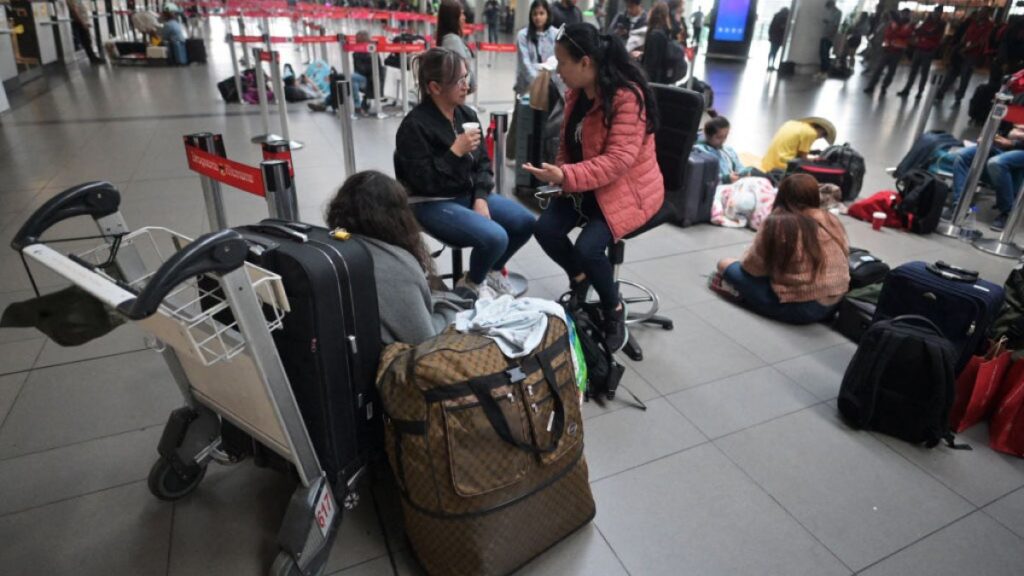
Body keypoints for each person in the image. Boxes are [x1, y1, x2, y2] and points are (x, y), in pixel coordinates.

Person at [524, 23, 664, 351]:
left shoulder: (626, 97)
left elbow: (618, 161)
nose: (558, 70)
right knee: (545, 230)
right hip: (587, 182)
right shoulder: (578, 93)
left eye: (562, 63)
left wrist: (566, 177)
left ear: (585, 62)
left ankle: (613, 307)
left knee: (588, 248)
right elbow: (569, 143)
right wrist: (561, 173)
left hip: (627, 190)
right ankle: (581, 278)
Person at [394, 48, 535, 300]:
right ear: (435, 87)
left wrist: (480, 197)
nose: (466, 86)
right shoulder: (414, 126)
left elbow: (483, 164)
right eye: (459, 80)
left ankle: (485, 274)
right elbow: (422, 182)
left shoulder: (466, 115)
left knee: (525, 223)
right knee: (495, 236)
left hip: (466, 194)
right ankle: (471, 286)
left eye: (466, 77)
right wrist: (454, 152)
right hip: (430, 202)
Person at [325, 171, 471, 344]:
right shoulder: (396, 265)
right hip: (384, 364)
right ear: (397, 217)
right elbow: (425, 339)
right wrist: (453, 312)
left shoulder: (332, 241)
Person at [713, 174, 850, 325]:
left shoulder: (778, 222)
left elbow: (752, 268)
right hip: (835, 301)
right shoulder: (830, 219)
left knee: (725, 264)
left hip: (802, 308)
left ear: (781, 195)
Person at [943, 128, 1024, 231]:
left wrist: (1013, 143)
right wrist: (988, 136)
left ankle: (1007, 211)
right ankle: (959, 204)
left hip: (1020, 149)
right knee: (962, 156)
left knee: (996, 163)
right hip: (1001, 143)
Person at [936, 7, 994, 105]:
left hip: (972, 54)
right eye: (980, 12)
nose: (980, 14)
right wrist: (960, 46)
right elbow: (966, 35)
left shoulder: (989, 26)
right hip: (962, 52)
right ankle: (941, 91)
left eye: (983, 12)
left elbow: (981, 41)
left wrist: (966, 49)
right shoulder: (973, 23)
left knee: (965, 76)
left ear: (987, 14)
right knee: (952, 72)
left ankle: (959, 96)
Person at [308, 30, 374, 113]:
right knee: (348, 82)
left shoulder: (371, 50)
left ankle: (326, 103)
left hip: (369, 79)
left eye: (359, 40)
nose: (357, 42)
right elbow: (357, 69)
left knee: (347, 78)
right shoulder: (356, 52)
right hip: (358, 78)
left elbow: (369, 70)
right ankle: (356, 106)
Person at [897, 6, 945, 99]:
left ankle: (920, 91)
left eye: (938, 13)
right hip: (920, 48)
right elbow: (920, 31)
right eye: (936, 12)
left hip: (928, 50)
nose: (936, 14)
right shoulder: (928, 21)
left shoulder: (940, 24)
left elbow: (935, 36)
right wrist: (925, 33)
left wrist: (925, 33)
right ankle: (907, 89)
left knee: (924, 72)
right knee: (913, 71)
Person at [760, 117, 836, 173]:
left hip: (767, 163)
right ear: (821, 129)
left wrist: (811, 152)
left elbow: (792, 147)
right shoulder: (811, 133)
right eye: (823, 135)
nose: (819, 137)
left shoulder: (791, 123)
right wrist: (817, 161)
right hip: (782, 165)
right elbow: (803, 158)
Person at [863, 9, 911, 95]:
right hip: (888, 49)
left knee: (891, 72)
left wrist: (896, 32)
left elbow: (905, 34)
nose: (903, 15)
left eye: (905, 14)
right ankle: (871, 86)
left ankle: (884, 87)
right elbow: (887, 33)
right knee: (878, 69)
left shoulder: (907, 25)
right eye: (902, 14)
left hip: (897, 51)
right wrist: (896, 32)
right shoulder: (893, 24)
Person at [516, 0, 558, 96]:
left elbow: (558, 59)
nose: (538, 17)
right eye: (534, 14)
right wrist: (537, 82)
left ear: (548, 15)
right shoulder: (523, 35)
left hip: (551, 86)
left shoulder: (555, 34)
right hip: (528, 87)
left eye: (541, 13)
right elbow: (524, 62)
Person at [640, 2, 686, 84]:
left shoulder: (655, 34)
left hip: (654, 82)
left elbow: (652, 64)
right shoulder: (665, 33)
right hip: (663, 80)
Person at [438, 0, 477, 94]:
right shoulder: (452, 40)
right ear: (453, 18)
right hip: (455, 96)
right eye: (462, 14)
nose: (464, 18)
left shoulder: (450, 38)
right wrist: (469, 84)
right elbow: (461, 73)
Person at [695, 115, 746, 183]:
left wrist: (744, 173)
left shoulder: (728, 151)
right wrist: (726, 179)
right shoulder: (700, 153)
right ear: (708, 135)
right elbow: (706, 178)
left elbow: (739, 166)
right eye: (719, 137)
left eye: (725, 136)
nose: (723, 140)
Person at [816, 1, 843, 79]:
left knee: (825, 54)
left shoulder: (838, 13)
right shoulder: (831, 12)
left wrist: (831, 35)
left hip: (829, 36)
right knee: (822, 54)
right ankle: (822, 71)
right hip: (825, 34)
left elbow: (835, 26)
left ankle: (825, 72)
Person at [767, 7, 789, 71]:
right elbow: (782, 27)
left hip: (774, 37)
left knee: (772, 51)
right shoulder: (783, 18)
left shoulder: (776, 16)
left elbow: (772, 27)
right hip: (778, 37)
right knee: (774, 52)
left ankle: (769, 65)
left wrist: (770, 36)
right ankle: (771, 65)